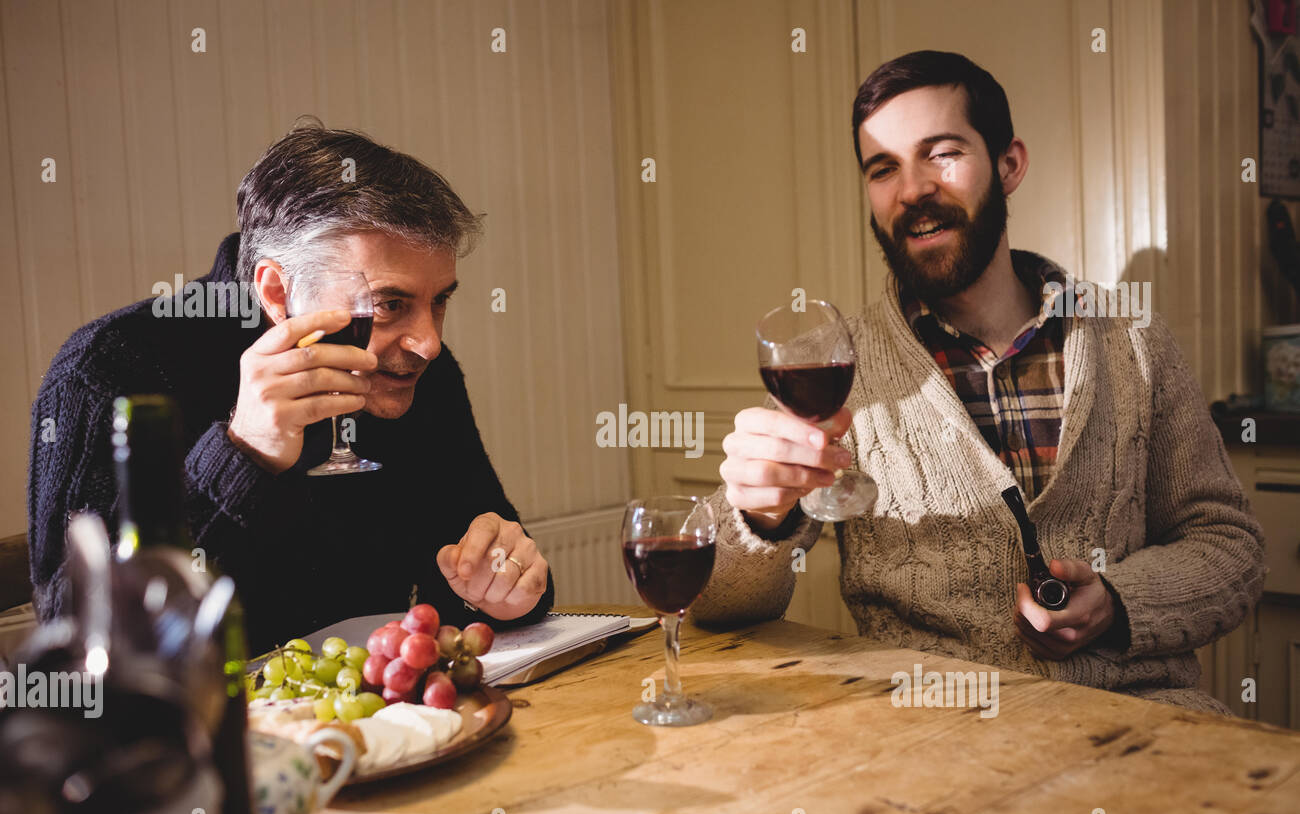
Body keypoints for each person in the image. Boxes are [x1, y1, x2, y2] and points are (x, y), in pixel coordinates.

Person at [694, 51, 1265, 715]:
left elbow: (1231, 547)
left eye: (940, 153)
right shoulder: (832, 369)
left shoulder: (1134, 342)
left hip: (1144, 724)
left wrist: (1116, 601)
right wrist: (759, 519)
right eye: (883, 169)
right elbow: (717, 605)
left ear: (1009, 164)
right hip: (930, 744)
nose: (912, 189)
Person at [29, 122, 553, 653]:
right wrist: (242, 455)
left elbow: (477, 576)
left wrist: (500, 589)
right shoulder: (106, 370)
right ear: (278, 291)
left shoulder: (417, 374)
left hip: (390, 724)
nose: (429, 344)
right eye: (391, 304)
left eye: (439, 300)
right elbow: (74, 636)